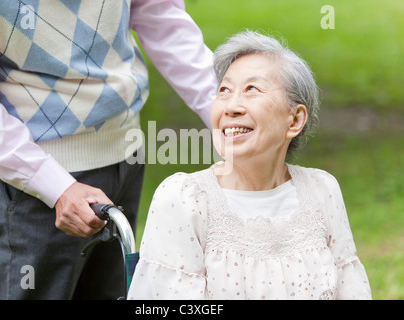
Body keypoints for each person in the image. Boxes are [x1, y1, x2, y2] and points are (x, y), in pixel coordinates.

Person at [0, 0, 216, 299]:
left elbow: (160, 17)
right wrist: (56, 186)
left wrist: (224, 112)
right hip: (38, 183)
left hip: (125, 156)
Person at [128, 30, 372, 300]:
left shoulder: (321, 191)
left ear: (294, 121)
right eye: (224, 90)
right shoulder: (184, 198)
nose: (231, 106)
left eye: (251, 89)